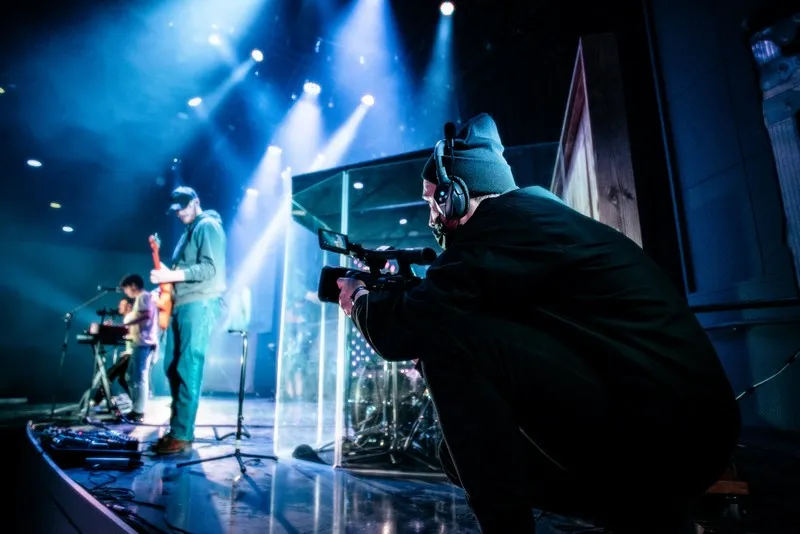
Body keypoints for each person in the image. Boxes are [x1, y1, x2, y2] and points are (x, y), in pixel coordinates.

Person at [335, 114, 741, 533]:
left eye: (431, 200)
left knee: (448, 337)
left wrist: (361, 299)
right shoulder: (531, 220)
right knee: (453, 454)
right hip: (681, 427)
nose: (430, 216)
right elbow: (480, 321)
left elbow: (404, 329)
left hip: (671, 437)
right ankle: (653, 518)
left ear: (456, 197)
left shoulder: (503, 227)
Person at [150, 186, 226, 454]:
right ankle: (177, 428)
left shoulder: (207, 226)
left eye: (184, 206)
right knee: (172, 366)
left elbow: (210, 269)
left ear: (196, 201)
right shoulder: (188, 232)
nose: (179, 212)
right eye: (176, 209)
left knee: (187, 366)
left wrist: (171, 276)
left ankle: (182, 434)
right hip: (182, 304)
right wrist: (164, 277)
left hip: (200, 303)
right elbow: (181, 272)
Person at [119, 273, 159, 423]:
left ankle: (138, 411)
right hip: (140, 342)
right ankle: (136, 406)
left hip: (144, 343)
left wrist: (128, 320)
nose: (126, 292)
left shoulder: (143, 296)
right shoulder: (143, 298)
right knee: (130, 376)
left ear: (133, 286)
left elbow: (146, 315)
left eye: (126, 289)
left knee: (139, 377)